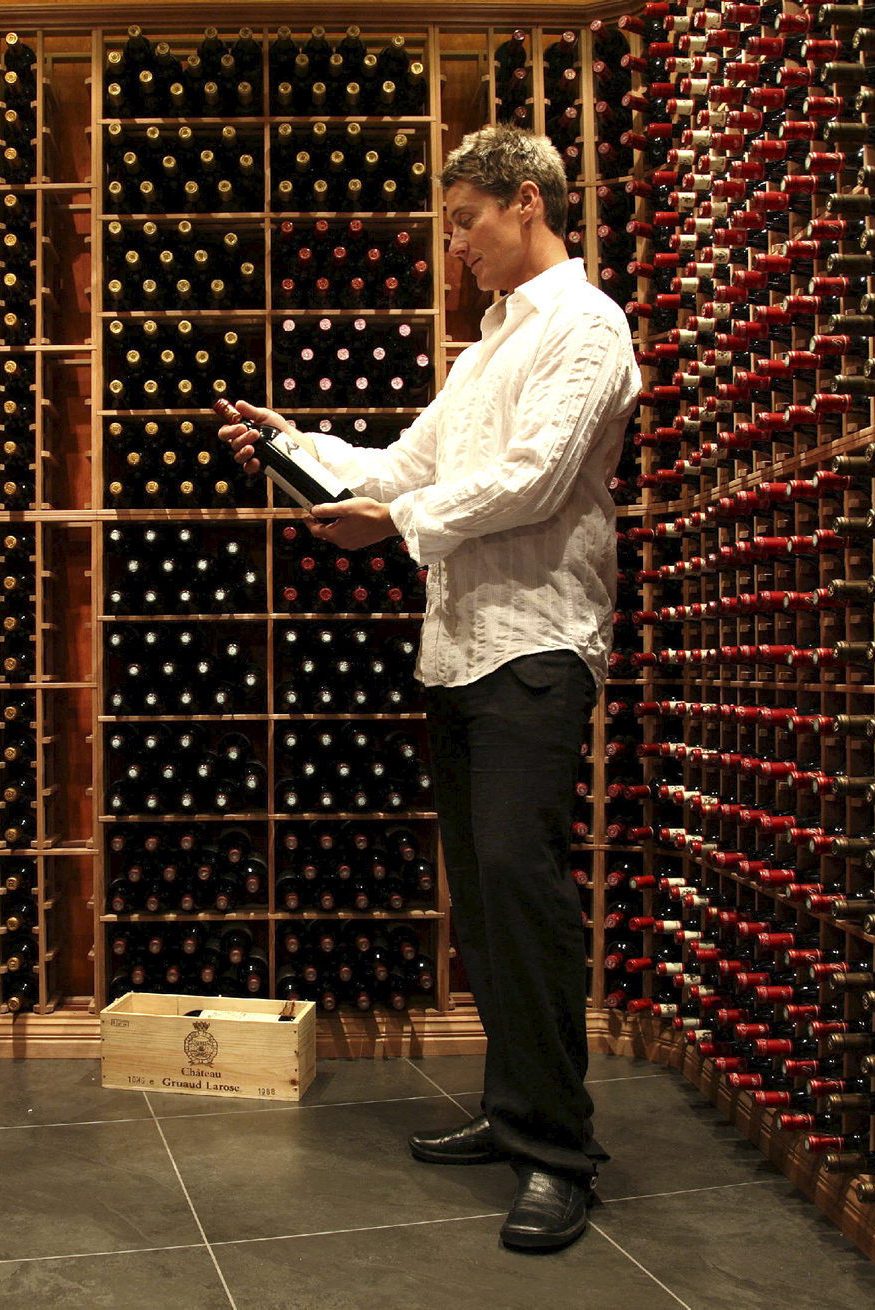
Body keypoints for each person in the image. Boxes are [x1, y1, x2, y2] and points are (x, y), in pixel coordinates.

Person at [219, 125, 641, 1253]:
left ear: (526, 201)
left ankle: (559, 1151)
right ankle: (514, 1112)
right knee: (487, 902)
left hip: (537, 648)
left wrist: (395, 524)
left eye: (464, 222)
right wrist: (295, 447)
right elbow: (404, 467)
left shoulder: (587, 325)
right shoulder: (482, 352)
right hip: (457, 651)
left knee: (522, 888)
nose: (454, 245)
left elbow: (532, 481)